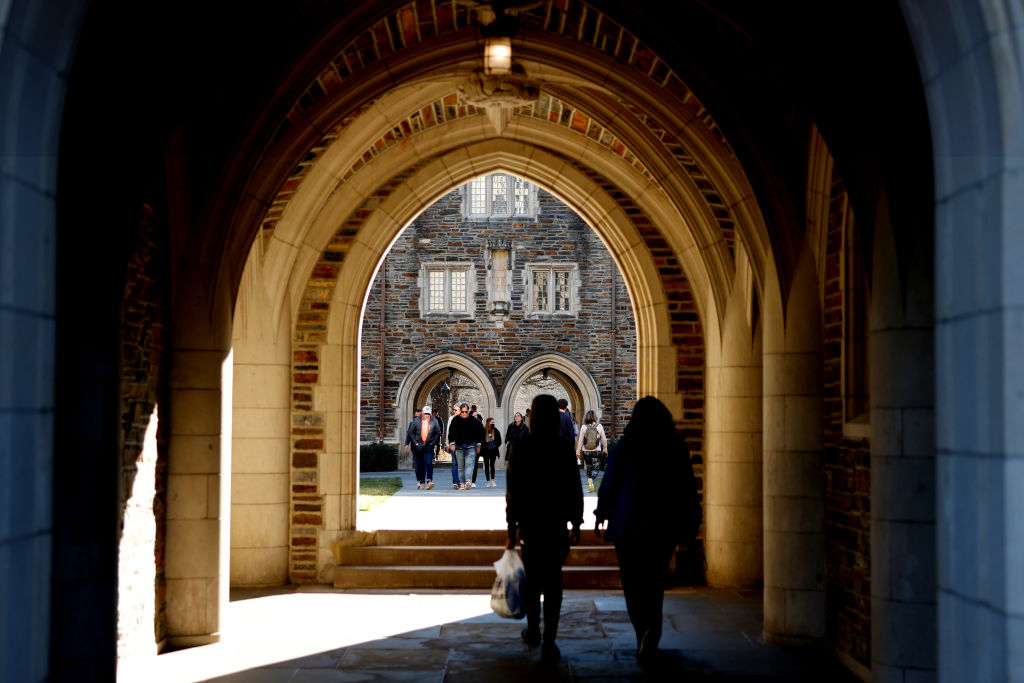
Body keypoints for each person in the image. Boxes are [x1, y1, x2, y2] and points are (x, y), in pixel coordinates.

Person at [593, 396, 702, 667]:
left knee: (633, 584)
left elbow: (611, 483)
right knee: (654, 583)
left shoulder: (626, 446)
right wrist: (691, 523)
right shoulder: (674, 446)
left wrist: (602, 514)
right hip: (661, 527)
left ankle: (642, 631)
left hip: (627, 526)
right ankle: (651, 632)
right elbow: (687, 488)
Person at [505, 394, 583, 664]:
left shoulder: (521, 446)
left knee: (533, 581)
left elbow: (512, 493)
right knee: (553, 583)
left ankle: (535, 630)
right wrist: (577, 520)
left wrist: (511, 529)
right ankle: (550, 638)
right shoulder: (563, 447)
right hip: (555, 524)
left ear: (532, 416)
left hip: (531, 526)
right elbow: (574, 486)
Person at [447, 403, 484, 490]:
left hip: (471, 445)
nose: (464, 413)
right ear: (460, 411)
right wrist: (451, 443)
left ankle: (468, 480)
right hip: (459, 446)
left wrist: (478, 445)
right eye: (462, 412)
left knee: (469, 465)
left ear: (468, 411)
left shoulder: (473, 420)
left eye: (466, 412)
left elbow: (479, 433)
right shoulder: (455, 420)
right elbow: (451, 433)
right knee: (460, 466)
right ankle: (462, 483)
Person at [405, 404, 441, 490]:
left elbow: (438, 432)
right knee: (419, 466)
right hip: (419, 446)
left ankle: (429, 481)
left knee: (428, 463)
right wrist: (414, 443)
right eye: (425, 414)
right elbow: (411, 433)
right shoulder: (416, 421)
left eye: (428, 414)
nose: (427, 416)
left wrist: (433, 443)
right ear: (422, 414)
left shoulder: (434, 421)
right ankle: (420, 482)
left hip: (429, 445)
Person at [575, 410, 608, 493]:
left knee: (589, 467)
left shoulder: (583, 427)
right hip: (596, 450)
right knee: (596, 467)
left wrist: (577, 452)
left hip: (586, 450)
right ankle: (592, 479)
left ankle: (589, 479)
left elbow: (580, 441)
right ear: (595, 417)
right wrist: (605, 448)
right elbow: (604, 439)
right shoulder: (599, 426)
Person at [474, 417, 502, 488]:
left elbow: (499, 440)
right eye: (491, 422)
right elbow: (481, 440)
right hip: (486, 451)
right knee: (486, 466)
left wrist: (495, 445)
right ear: (488, 423)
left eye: (493, 422)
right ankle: (488, 481)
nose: (492, 424)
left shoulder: (495, 430)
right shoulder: (484, 431)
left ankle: (493, 480)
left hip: (493, 450)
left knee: (492, 465)